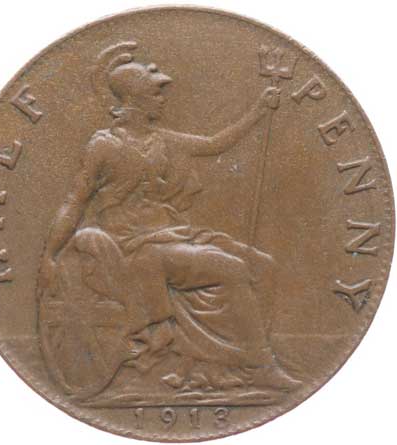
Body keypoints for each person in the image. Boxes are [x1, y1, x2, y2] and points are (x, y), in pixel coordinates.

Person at [38, 41, 300, 400]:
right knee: (233, 268)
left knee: (261, 265)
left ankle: (215, 368)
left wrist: (259, 111)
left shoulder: (161, 139)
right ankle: (261, 366)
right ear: (134, 99)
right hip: (132, 247)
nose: (162, 99)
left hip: (170, 235)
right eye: (155, 93)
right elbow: (75, 201)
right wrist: (50, 255)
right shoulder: (104, 146)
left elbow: (214, 144)